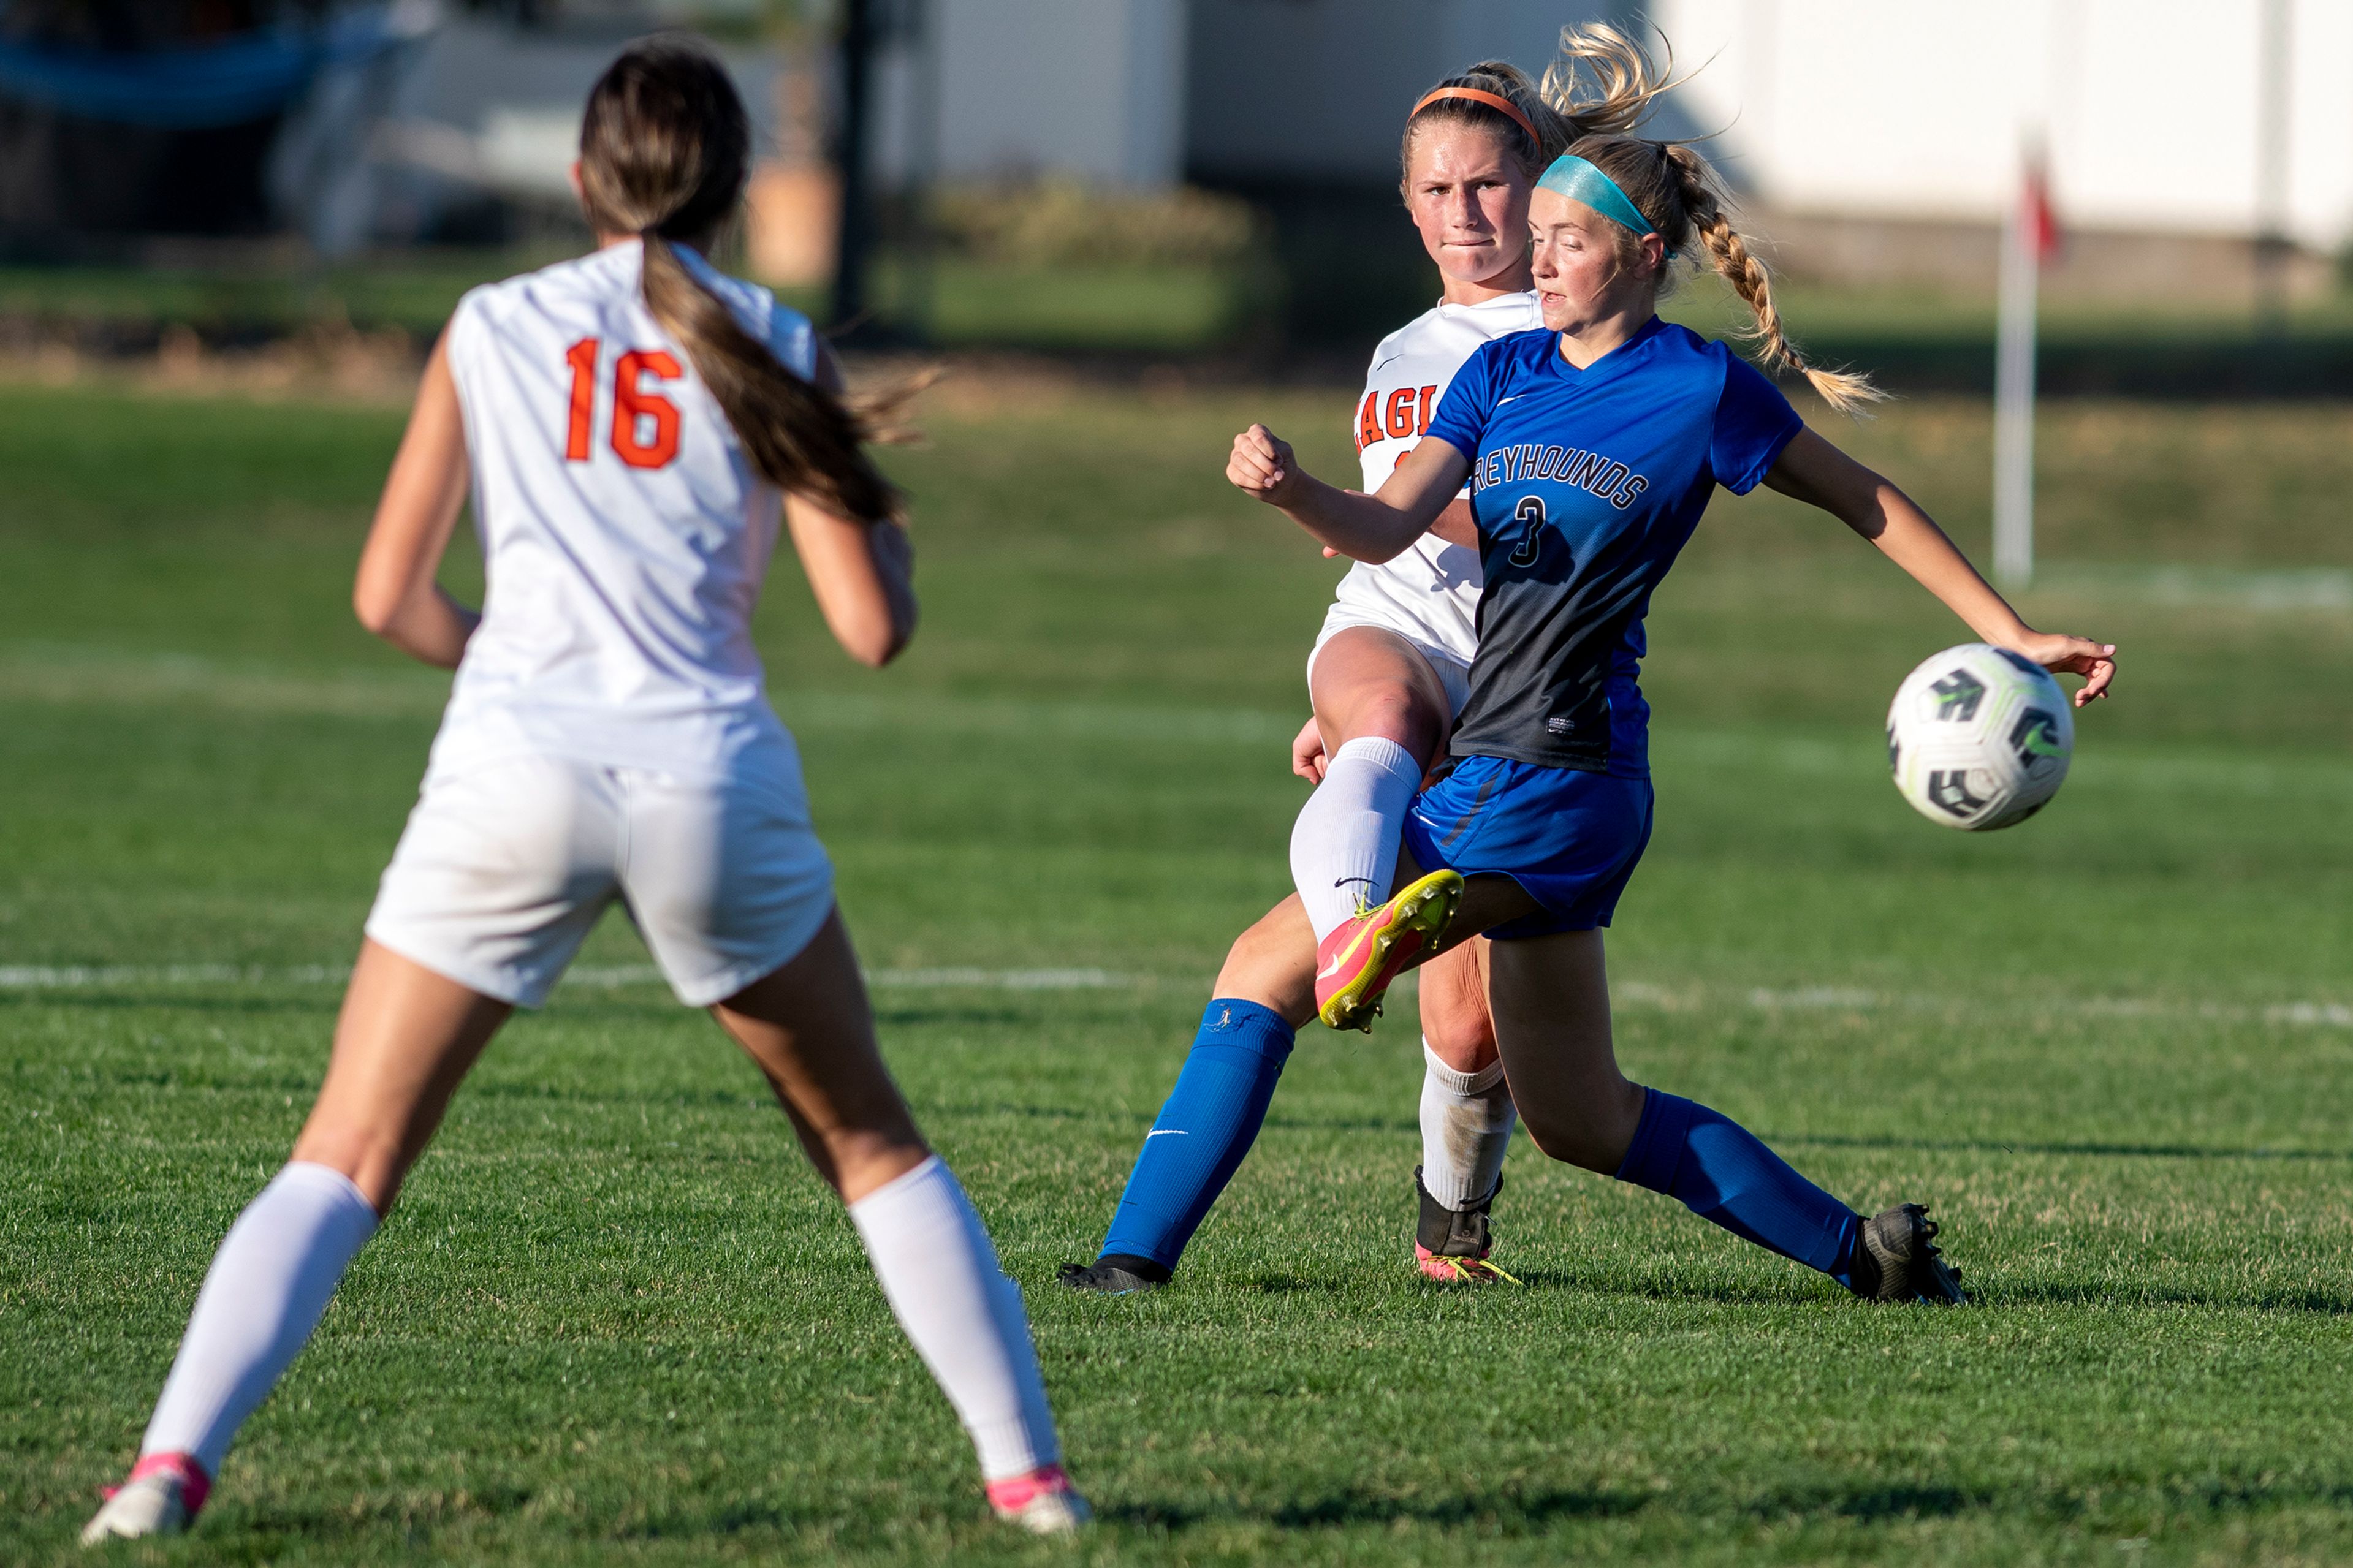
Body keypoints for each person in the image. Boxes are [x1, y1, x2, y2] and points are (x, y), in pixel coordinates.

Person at [81, 40, 1086, 1543]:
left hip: (511, 769)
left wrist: (524, 676)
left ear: (580, 181)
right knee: (870, 1142)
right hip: (708, 780)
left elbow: (388, 596)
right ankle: (1032, 1482)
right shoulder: (773, 338)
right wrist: (894, 543)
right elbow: (873, 632)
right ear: (737, 192)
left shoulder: (491, 323)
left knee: (343, 1155)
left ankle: (163, 1474)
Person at [1215, 98, 2123, 1305]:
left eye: (1563, 238)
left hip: (1569, 764)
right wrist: (1295, 497)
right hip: (1508, 749)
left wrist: (2008, 632)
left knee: (1346, 945)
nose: (1533, 255)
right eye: (1530, 232)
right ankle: (1868, 1253)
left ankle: (1389, 943)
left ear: (1646, 255)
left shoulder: (1699, 388)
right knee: (1585, 1120)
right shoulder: (1501, 370)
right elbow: (1390, 532)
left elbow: (1867, 497)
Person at [1060, 29, 1670, 1296]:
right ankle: (1346, 941)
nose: (1464, 213)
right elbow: (1394, 535)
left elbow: (1523, 512)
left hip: (1511, 693)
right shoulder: (1407, 346)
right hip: (1389, 637)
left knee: (1468, 1023)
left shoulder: (1572, 337)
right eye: (1436, 191)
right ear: (1404, 201)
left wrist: (1354, 494)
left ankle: (1452, 1229)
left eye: (1491, 186)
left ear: (1541, 185)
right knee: (1372, 728)